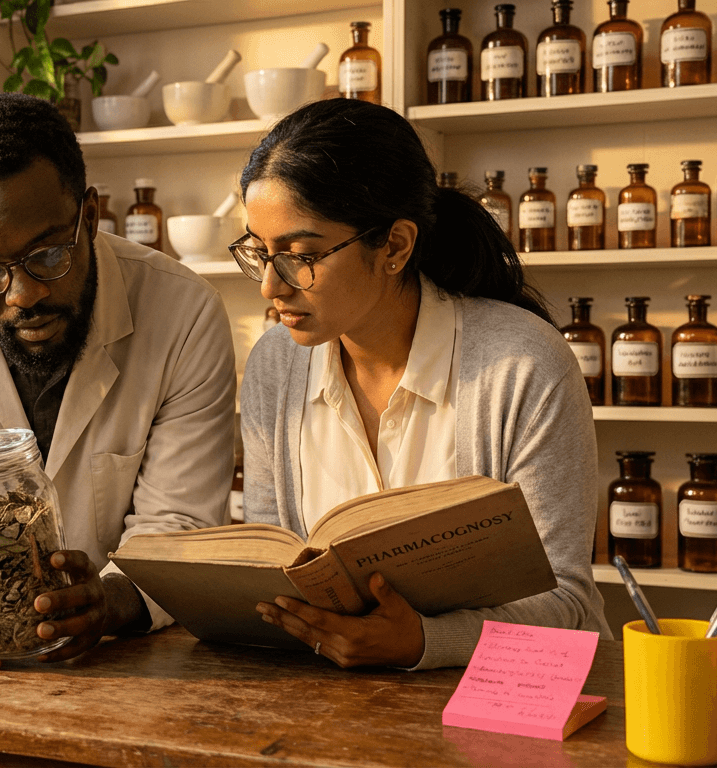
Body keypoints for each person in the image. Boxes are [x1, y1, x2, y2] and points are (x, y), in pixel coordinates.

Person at [0, 93, 236, 669]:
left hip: (134, 668)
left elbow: (179, 526)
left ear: (89, 216)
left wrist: (108, 603)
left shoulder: (184, 312)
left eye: (47, 255)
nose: (23, 295)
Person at [235, 99, 608, 670]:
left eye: (301, 256)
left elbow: (568, 600)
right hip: (339, 695)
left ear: (394, 246)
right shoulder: (274, 366)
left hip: (514, 692)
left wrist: (425, 642)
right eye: (260, 253)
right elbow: (275, 565)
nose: (270, 287)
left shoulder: (523, 364)